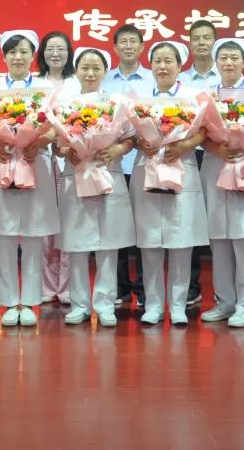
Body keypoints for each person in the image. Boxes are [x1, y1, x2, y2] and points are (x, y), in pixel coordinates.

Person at [0, 30, 58, 327]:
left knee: (34, 235)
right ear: (3, 56)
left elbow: (56, 126)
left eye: (24, 51)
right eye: (12, 52)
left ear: (33, 55)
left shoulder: (45, 87)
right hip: (1, 162)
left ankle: (31, 301)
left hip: (34, 162)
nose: (18, 57)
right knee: (4, 235)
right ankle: (10, 301)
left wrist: (42, 140)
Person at [53, 47, 135, 327]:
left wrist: (116, 150)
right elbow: (57, 144)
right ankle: (79, 304)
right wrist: (68, 151)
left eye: (96, 68)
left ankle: (105, 304)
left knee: (108, 244)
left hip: (108, 175)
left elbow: (131, 139)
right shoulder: (64, 105)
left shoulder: (117, 103)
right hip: (75, 176)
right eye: (84, 68)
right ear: (76, 71)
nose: (90, 73)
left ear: (104, 72)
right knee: (76, 244)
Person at [130, 41, 209, 325]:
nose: (162, 67)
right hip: (148, 168)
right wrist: (140, 141)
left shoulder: (192, 97)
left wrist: (185, 145)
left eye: (168, 61)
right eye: (157, 61)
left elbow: (204, 131)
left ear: (179, 65)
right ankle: (153, 305)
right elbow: (129, 134)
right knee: (149, 241)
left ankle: (177, 307)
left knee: (181, 241)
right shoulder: (137, 98)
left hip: (182, 169)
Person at [200, 38, 244, 329]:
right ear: (216, 62)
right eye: (223, 57)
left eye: (234, 57)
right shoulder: (207, 96)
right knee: (219, 241)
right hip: (215, 168)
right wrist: (217, 149)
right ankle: (225, 302)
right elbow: (199, 135)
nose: (228, 62)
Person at [101, 24, 155, 308]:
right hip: (114, 163)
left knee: (146, 228)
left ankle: (145, 289)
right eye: (123, 41)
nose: (128, 46)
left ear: (142, 47)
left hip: (146, 162)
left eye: (134, 41)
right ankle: (120, 288)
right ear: (115, 47)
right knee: (116, 227)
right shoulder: (104, 80)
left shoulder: (153, 79)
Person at [177, 18, 222, 308]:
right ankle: (191, 287)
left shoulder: (226, 76)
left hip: (219, 155)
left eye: (207, 37)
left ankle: (223, 291)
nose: (202, 42)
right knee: (189, 220)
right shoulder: (181, 81)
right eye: (197, 38)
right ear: (190, 43)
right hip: (187, 154)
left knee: (218, 224)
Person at [38, 31, 77, 305]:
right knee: (45, 225)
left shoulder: (77, 83)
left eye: (61, 49)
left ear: (69, 53)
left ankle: (67, 286)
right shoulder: (36, 84)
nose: (55, 53)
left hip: (72, 159)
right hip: (43, 160)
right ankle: (46, 285)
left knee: (70, 223)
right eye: (50, 48)